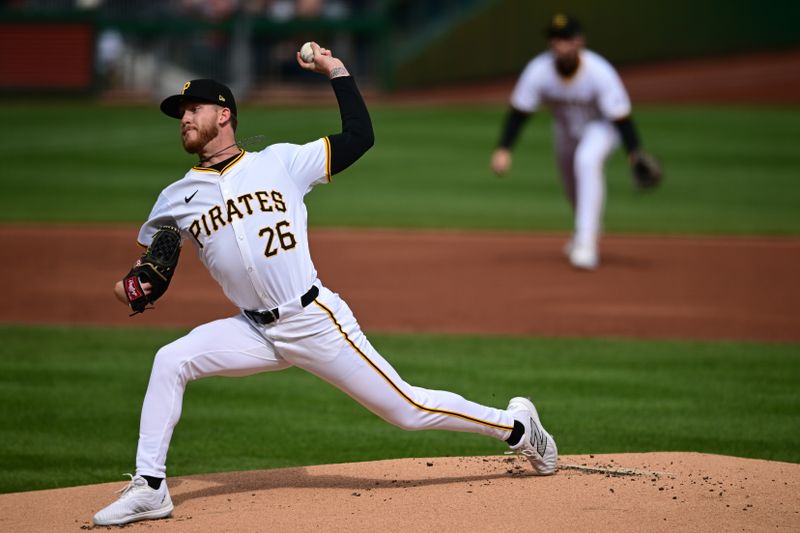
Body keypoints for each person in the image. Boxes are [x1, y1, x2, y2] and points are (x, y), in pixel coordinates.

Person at [92, 42, 558, 526]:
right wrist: (133, 287)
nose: (184, 118)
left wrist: (335, 70)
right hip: (253, 332)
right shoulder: (175, 198)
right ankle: (150, 487)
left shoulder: (281, 162)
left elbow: (360, 136)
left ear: (224, 114)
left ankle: (518, 426)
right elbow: (143, 274)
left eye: (194, 108)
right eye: (180, 112)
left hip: (313, 320)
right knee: (171, 359)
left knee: (407, 409)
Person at [490, 13, 659, 270]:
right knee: (572, 187)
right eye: (555, 40)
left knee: (586, 161)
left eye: (566, 39)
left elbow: (621, 117)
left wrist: (634, 152)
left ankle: (586, 244)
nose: (560, 45)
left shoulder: (599, 72)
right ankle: (588, 228)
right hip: (566, 132)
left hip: (602, 129)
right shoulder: (539, 71)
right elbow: (519, 113)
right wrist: (504, 148)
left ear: (579, 42)